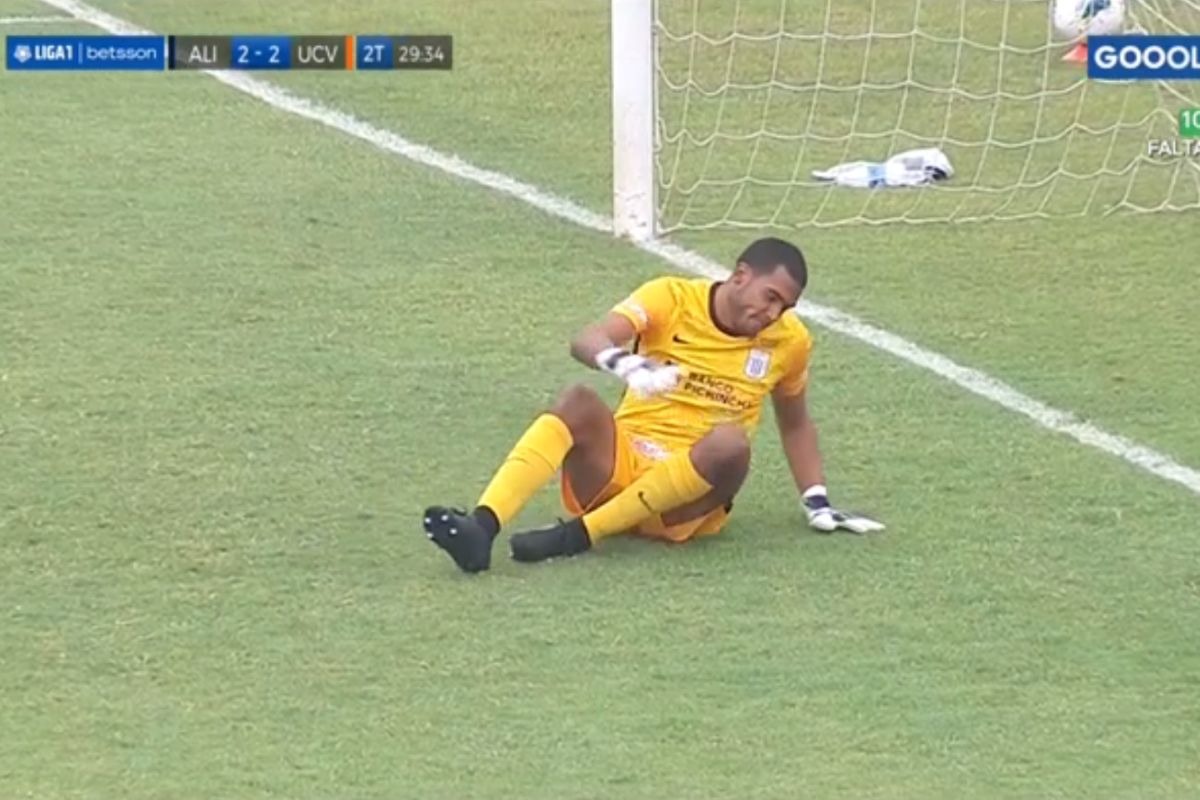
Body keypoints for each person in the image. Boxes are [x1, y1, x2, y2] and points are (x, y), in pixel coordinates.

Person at [422, 237, 884, 573]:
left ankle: (577, 536)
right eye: (771, 297)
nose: (773, 314)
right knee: (577, 401)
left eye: (785, 307)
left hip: (685, 501)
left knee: (730, 442)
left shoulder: (790, 342)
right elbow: (587, 339)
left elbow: (795, 422)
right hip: (619, 468)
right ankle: (482, 527)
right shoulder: (671, 297)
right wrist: (626, 364)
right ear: (741, 275)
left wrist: (816, 500)